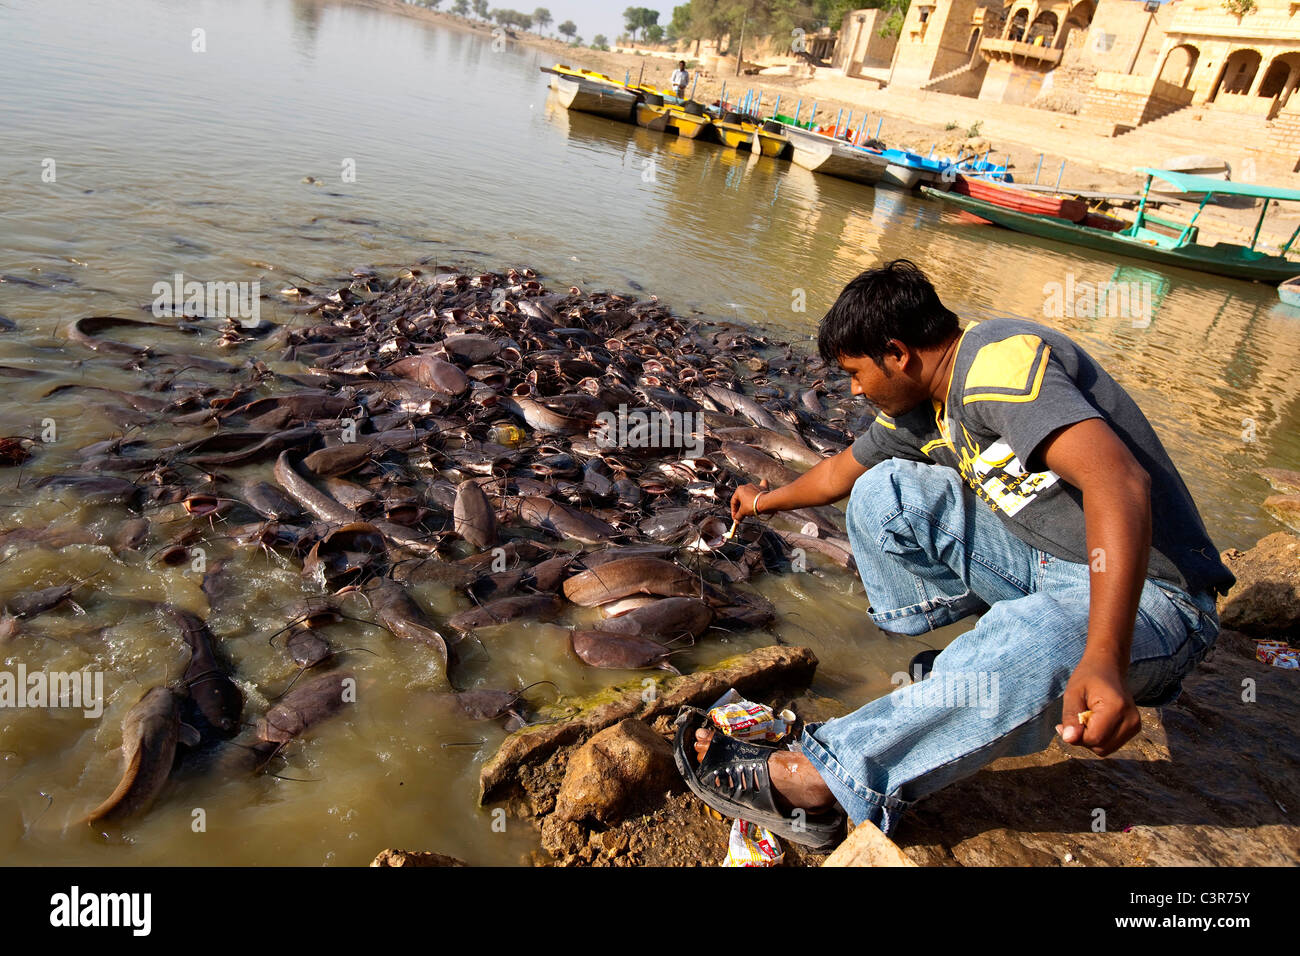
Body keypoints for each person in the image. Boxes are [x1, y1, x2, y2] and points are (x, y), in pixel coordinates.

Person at [682, 259, 1232, 846]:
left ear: (897, 353)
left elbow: (1118, 483)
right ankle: (963, 678)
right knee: (884, 491)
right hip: (1048, 569)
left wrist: (1103, 655)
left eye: (857, 373)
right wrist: (764, 501)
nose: (855, 390)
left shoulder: (997, 359)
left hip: (1158, 596)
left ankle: (823, 782)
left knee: (1037, 641)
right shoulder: (925, 410)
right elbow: (840, 472)